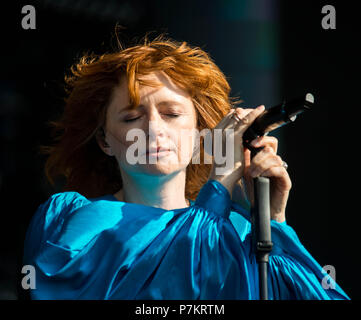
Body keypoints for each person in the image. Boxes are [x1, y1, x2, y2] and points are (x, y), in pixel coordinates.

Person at [23, 34, 349, 300]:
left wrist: (273, 223)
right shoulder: (71, 217)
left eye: (171, 113)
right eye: (131, 117)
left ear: (199, 134)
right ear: (105, 141)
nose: (153, 128)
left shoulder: (236, 229)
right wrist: (219, 182)